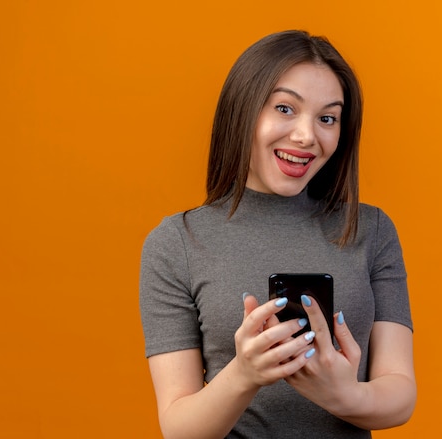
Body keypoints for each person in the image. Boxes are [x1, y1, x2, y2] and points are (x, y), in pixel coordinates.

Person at [139, 30, 415, 439]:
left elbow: (400, 391)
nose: (307, 136)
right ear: (242, 111)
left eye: (327, 118)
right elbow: (180, 429)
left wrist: (344, 396)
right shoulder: (175, 243)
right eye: (285, 108)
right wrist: (244, 374)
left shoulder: (371, 230)